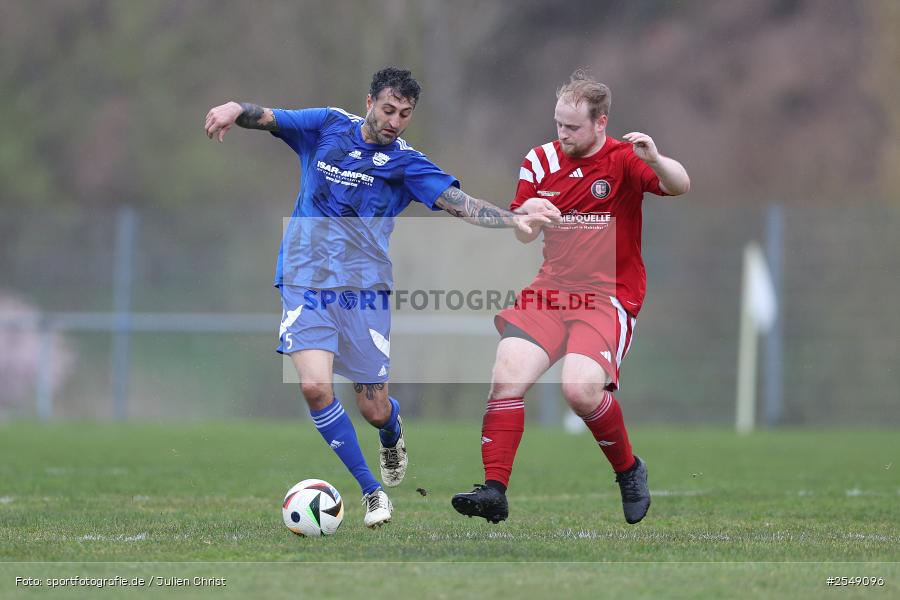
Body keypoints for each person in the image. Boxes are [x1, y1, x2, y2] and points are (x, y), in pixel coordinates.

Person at [204, 67, 558, 529]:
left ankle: (391, 429)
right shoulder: (328, 125)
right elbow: (271, 117)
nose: (395, 120)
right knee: (314, 386)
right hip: (304, 278)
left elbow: (459, 202)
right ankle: (374, 494)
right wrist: (236, 108)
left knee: (372, 408)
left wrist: (513, 219)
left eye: (405, 114)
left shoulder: (406, 163)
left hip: (363, 292)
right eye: (388, 109)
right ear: (369, 101)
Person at [451, 70, 690, 525]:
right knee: (505, 376)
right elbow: (522, 233)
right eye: (558, 124)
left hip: (608, 296)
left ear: (601, 123)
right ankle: (494, 491)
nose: (562, 134)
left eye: (573, 127)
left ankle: (628, 470)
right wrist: (527, 216)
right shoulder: (539, 161)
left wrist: (656, 159)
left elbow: (680, 185)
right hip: (551, 290)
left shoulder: (624, 158)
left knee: (580, 391)